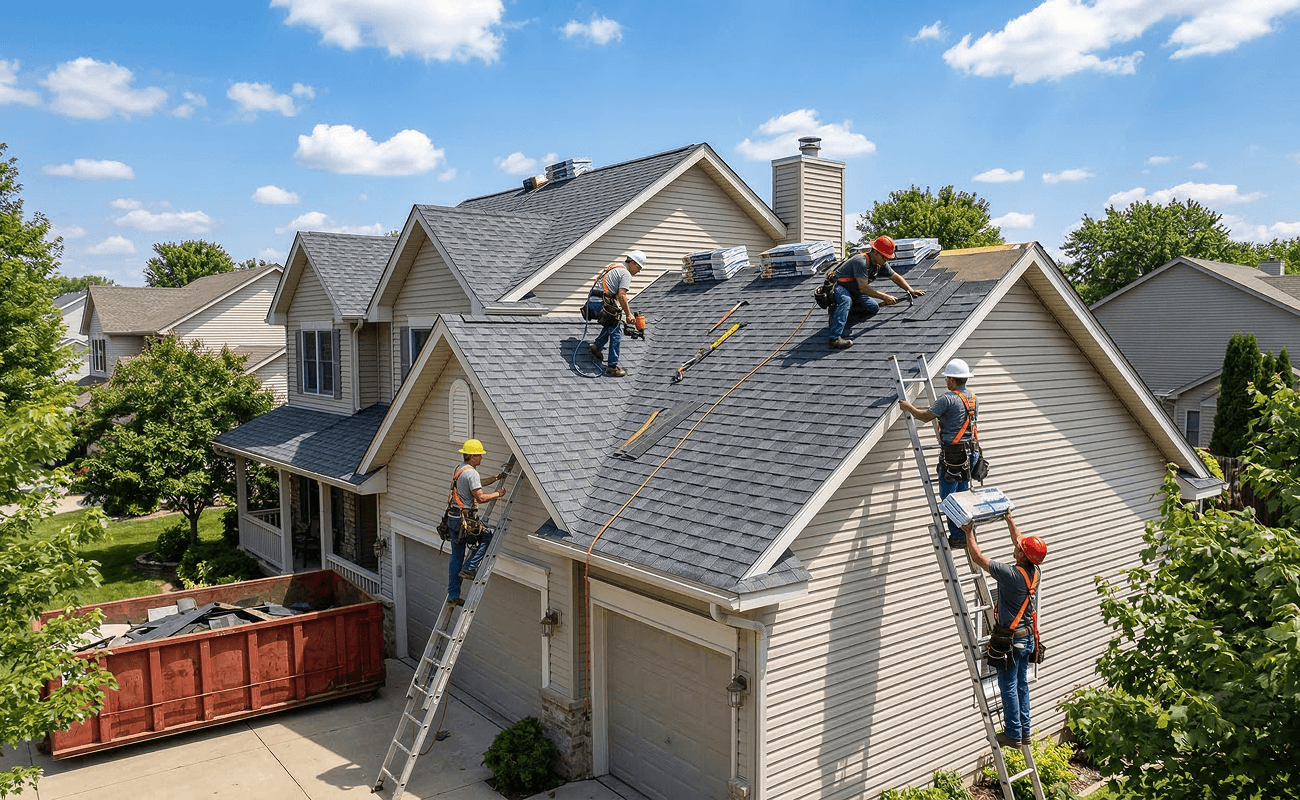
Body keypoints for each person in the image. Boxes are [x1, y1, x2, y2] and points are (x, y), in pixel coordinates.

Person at [964, 513, 1047, 748]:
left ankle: (1013, 733)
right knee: (1021, 685)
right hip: (1027, 638)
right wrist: (1009, 519)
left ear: (1022, 554)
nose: (1016, 546)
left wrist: (968, 532)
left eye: (1019, 547)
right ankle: (1025, 731)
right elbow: (1019, 540)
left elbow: (978, 558)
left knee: (1008, 686)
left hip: (1012, 642)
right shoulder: (1034, 572)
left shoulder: (1010, 575)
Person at [899, 357, 980, 547]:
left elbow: (927, 417)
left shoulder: (947, 398)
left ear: (952, 379)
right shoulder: (973, 398)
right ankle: (968, 534)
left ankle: (959, 537)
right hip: (970, 453)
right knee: (963, 496)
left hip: (954, 456)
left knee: (949, 499)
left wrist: (909, 407)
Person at [827, 235, 925, 349]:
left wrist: (911, 290)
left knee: (873, 307)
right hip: (841, 288)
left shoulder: (880, 264)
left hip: (856, 291)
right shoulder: (861, 261)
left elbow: (895, 277)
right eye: (884, 257)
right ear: (876, 252)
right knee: (846, 301)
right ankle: (834, 338)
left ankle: (840, 316)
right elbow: (864, 288)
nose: (885, 261)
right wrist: (884, 297)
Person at [445, 439, 506, 607]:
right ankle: (470, 566)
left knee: (456, 557)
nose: (481, 458)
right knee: (487, 536)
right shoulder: (472, 473)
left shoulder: (460, 468)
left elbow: (475, 485)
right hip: (464, 521)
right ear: (472, 456)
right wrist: (498, 494)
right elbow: (480, 497)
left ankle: (453, 595)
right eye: (479, 455)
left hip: (453, 518)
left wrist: (494, 479)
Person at [586, 250, 646, 378]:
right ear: (632, 263)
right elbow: (622, 296)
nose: (638, 271)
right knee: (617, 330)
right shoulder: (625, 273)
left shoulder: (614, 266)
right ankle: (612, 367)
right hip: (601, 303)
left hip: (591, 302)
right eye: (639, 267)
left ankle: (596, 346)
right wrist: (629, 314)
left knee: (611, 324)